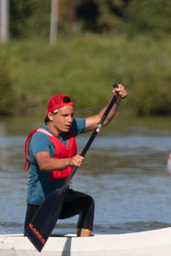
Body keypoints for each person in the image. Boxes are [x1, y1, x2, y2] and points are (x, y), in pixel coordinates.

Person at [24, 83, 127, 238]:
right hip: (40, 204)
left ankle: (83, 248)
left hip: (62, 198)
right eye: (64, 116)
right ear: (51, 116)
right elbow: (44, 164)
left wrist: (115, 100)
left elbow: (101, 120)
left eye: (71, 115)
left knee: (86, 202)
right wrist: (69, 161)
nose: (69, 120)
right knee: (33, 249)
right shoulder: (40, 138)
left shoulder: (71, 127)